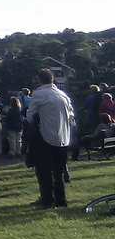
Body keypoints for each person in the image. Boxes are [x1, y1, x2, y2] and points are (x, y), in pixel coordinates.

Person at [26, 68, 75, 209]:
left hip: (45, 136)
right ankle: (61, 199)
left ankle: (48, 200)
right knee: (59, 171)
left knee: (44, 170)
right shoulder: (63, 95)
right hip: (63, 137)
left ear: (39, 80)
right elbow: (71, 116)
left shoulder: (39, 94)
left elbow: (30, 117)